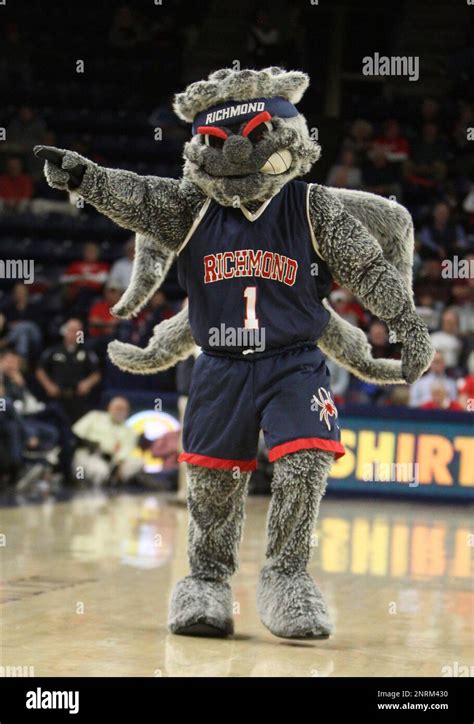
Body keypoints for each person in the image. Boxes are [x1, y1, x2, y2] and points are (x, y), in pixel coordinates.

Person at [36, 318, 101, 423]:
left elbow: (96, 373)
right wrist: (48, 385)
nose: (74, 333)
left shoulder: (86, 352)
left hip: (78, 397)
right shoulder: (53, 351)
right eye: (71, 330)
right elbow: (40, 370)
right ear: (64, 331)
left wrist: (87, 383)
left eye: (77, 331)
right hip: (57, 395)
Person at [72, 397, 142, 486]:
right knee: (100, 470)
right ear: (109, 408)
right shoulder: (94, 416)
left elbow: (127, 449)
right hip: (90, 454)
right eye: (117, 408)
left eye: (123, 409)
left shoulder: (130, 430)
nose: (119, 411)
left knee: (138, 461)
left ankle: (115, 480)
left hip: (114, 461)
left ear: (128, 411)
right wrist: (89, 443)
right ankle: (99, 485)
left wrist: (118, 462)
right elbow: (75, 433)